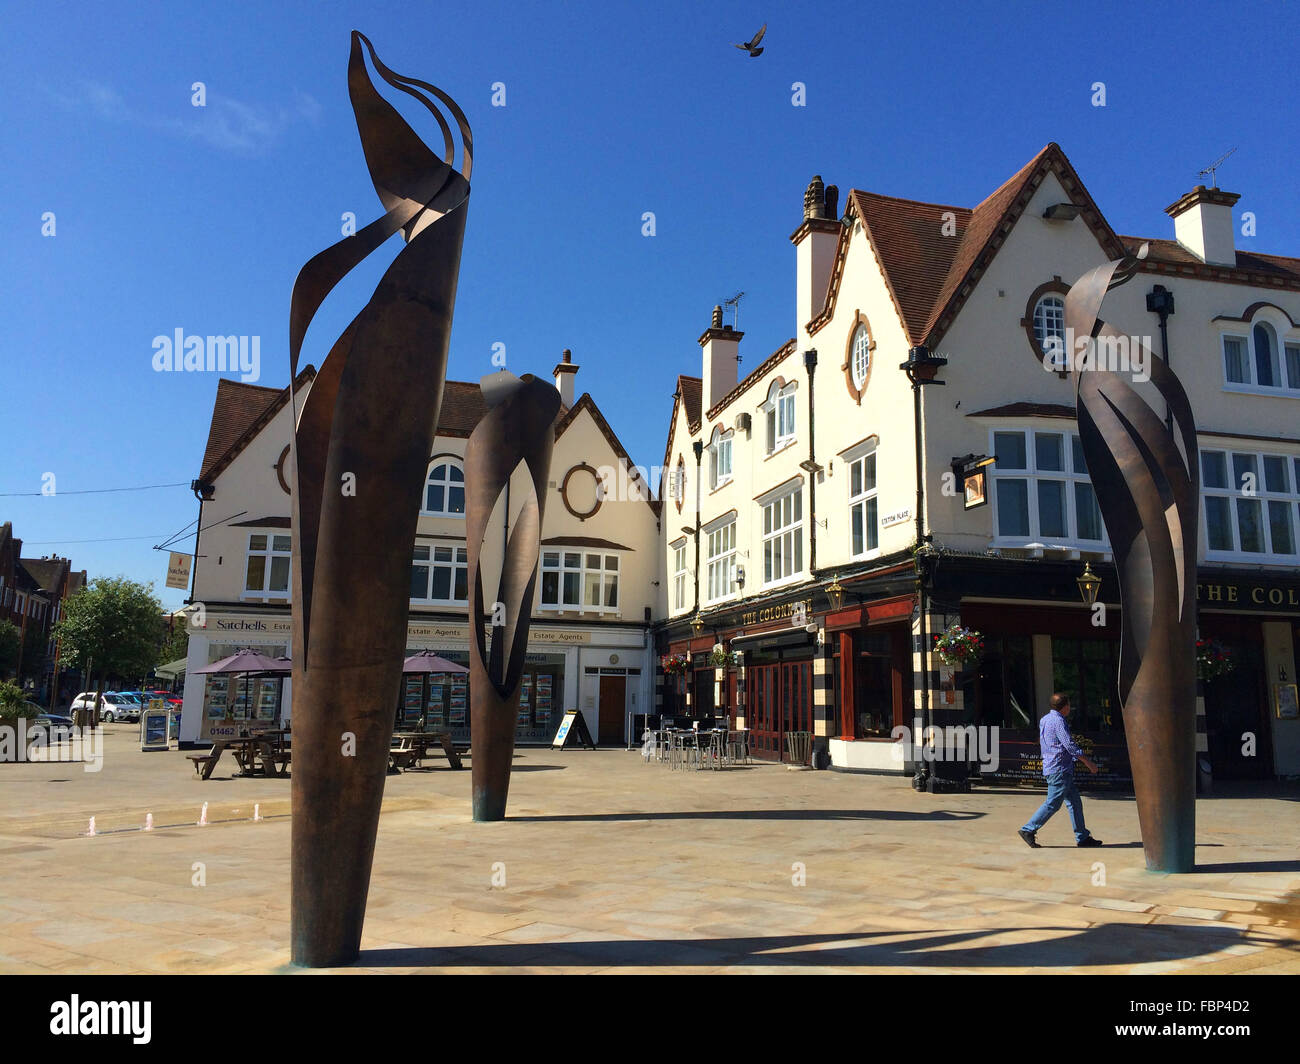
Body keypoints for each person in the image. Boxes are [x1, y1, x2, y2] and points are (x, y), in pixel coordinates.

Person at [1019, 693, 1103, 848]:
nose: (1070, 708)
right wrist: (1089, 763)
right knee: (1053, 803)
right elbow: (1069, 745)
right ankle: (1028, 829)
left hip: (1056, 767)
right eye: (1069, 705)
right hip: (1059, 769)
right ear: (1064, 707)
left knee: (1075, 803)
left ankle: (1083, 837)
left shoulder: (1045, 719)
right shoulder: (1058, 721)